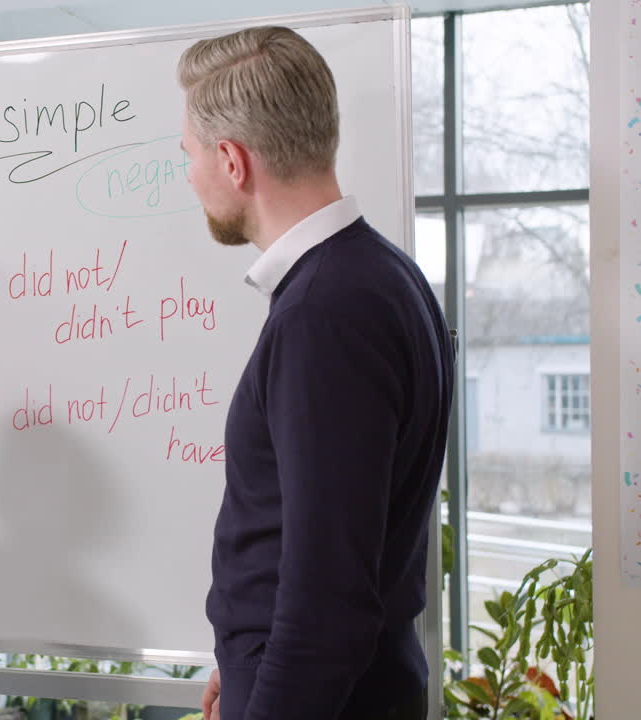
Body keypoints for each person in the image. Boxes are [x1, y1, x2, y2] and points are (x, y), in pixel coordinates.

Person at [177, 27, 454, 720]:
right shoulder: (382, 276)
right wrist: (243, 664)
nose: (189, 176)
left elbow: (328, 591)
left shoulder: (327, 313)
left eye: (188, 156)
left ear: (233, 161)